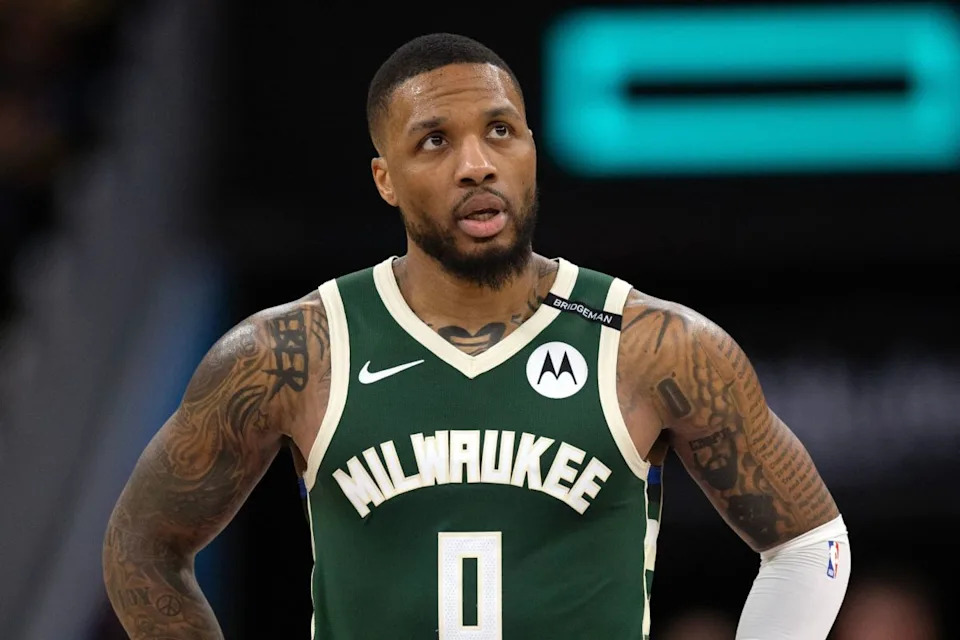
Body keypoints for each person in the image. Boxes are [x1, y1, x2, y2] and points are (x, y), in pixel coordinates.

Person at [102, 32, 851, 639]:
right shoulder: (293, 353)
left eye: (500, 132)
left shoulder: (650, 343)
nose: (475, 165)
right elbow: (141, 547)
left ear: (530, 147)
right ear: (384, 178)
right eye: (434, 141)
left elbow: (810, 544)